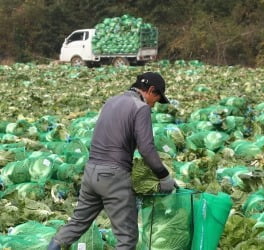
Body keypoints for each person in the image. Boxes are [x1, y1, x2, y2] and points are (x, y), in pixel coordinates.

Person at [48, 72, 177, 250]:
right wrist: (163, 176)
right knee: (127, 237)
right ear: (151, 90)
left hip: (91, 172)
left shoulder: (111, 102)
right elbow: (146, 149)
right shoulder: (140, 108)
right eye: (156, 98)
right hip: (114, 176)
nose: (154, 104)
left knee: (76, 224)